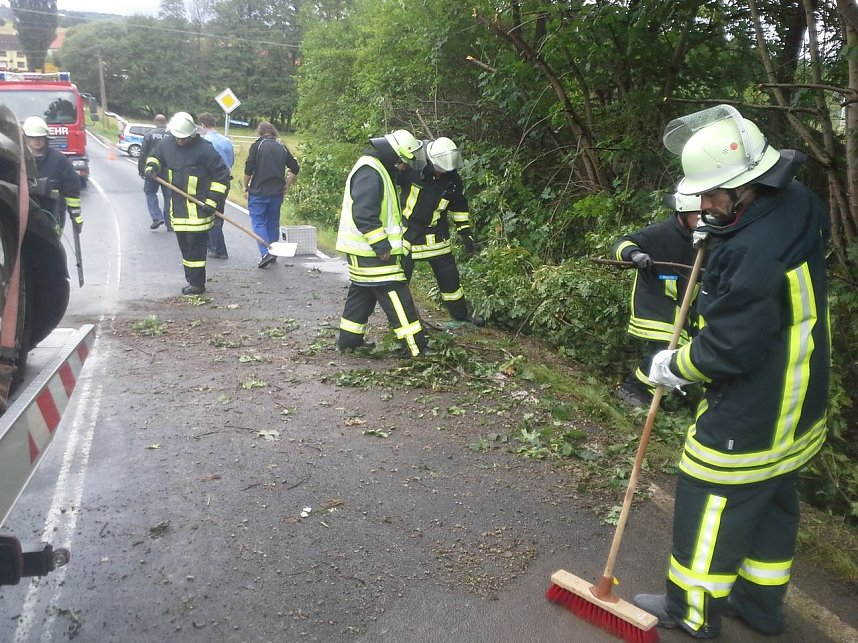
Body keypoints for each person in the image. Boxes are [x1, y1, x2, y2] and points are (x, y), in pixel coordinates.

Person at [633, 106, 830, 639]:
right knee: (770, 498)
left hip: (757, 401)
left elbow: (728, 349)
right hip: (803, 394)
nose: (705, 205)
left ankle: (691, 613)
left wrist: (673, 365)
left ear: (748, 185)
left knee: (707, 493)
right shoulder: (797, 205)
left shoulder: (750, 251)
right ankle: (761, 606)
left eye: (715, 194)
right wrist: (720, 236)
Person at [336, 129, 429, 357]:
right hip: (372, 251)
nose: (404, 168)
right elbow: (364, 214)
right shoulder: (371, 171)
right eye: (403, 163)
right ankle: (415, 348)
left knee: (362, 293)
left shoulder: (375, 167)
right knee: (397, 295)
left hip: (363, 251)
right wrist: (381, 245)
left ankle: (349, 342)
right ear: (395, 157)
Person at [611, 192, 701, 407]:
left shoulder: (704, 241)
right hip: (654, 303)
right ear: (683, 213)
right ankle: (633, 388)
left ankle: (656, 395)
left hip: (683, 308)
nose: (703, 219)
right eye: (698, 214)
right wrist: (635, 255)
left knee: (682, 353)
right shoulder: (659, 233)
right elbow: (621, 243)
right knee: (668, 351)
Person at [398, 137, 484, 326]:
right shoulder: (412, 170)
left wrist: (465, 231)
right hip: (408, 235)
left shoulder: (452, 180)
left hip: (437, 235)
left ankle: (460, 315)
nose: (444, 172)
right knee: (400, 279)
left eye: (447, 169)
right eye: (440, 168)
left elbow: (459, 205)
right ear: (430, 160)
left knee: (450, 279)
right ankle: (400, 320)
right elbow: (389, 183)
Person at [143, 111, 230, 295]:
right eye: (178, 138)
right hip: (178, 209)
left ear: (192, 134)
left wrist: (212, 200)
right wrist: (151, 167)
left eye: (184, 138)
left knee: (196, 250)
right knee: (185, 248)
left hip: (199, 210)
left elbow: (221, 176)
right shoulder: (166, 144)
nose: (180, 142)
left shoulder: (205, 149)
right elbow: (155, 156)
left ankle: (197, 284)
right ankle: (190, 280)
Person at [242, 121, 300, 268]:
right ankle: (273, 253)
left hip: (258, 192)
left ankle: (265, 252)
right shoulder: (281, 146)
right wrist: (287, 184)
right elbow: (294, 167)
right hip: (277, 193)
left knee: (259, 222)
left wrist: (244, 186)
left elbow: (249, 169)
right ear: (273, 132)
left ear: (260, 132)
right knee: (273, 223)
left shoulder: (257, 146)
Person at [22, 116, 82, 234]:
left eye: (40, 137)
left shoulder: (59, 160)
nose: (37, 141)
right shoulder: (18, 160)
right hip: (24, 216)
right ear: (26, 138)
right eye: (33, 137)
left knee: (51, 248)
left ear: (46, 138)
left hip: (53, 215)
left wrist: (75, 214)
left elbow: (71, 189)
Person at [198, 112, 235, 259]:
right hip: (225, 181)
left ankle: (217, 248)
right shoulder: (226, 141)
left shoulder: (204, 142)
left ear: (202, 125)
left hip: (210, 182)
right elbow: (231, 161)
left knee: (210, 213)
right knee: (219, 212)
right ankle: (214, 243)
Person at [138, 114, 171, 230]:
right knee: (168, 196)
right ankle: (169, 222)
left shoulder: (149, 135)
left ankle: (157, 217)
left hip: (152, 169)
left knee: (150, 192)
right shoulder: (171, 135)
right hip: (168, 171)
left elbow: (143, 154)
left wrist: (141, 170)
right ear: (165, 122)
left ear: (155, 122)